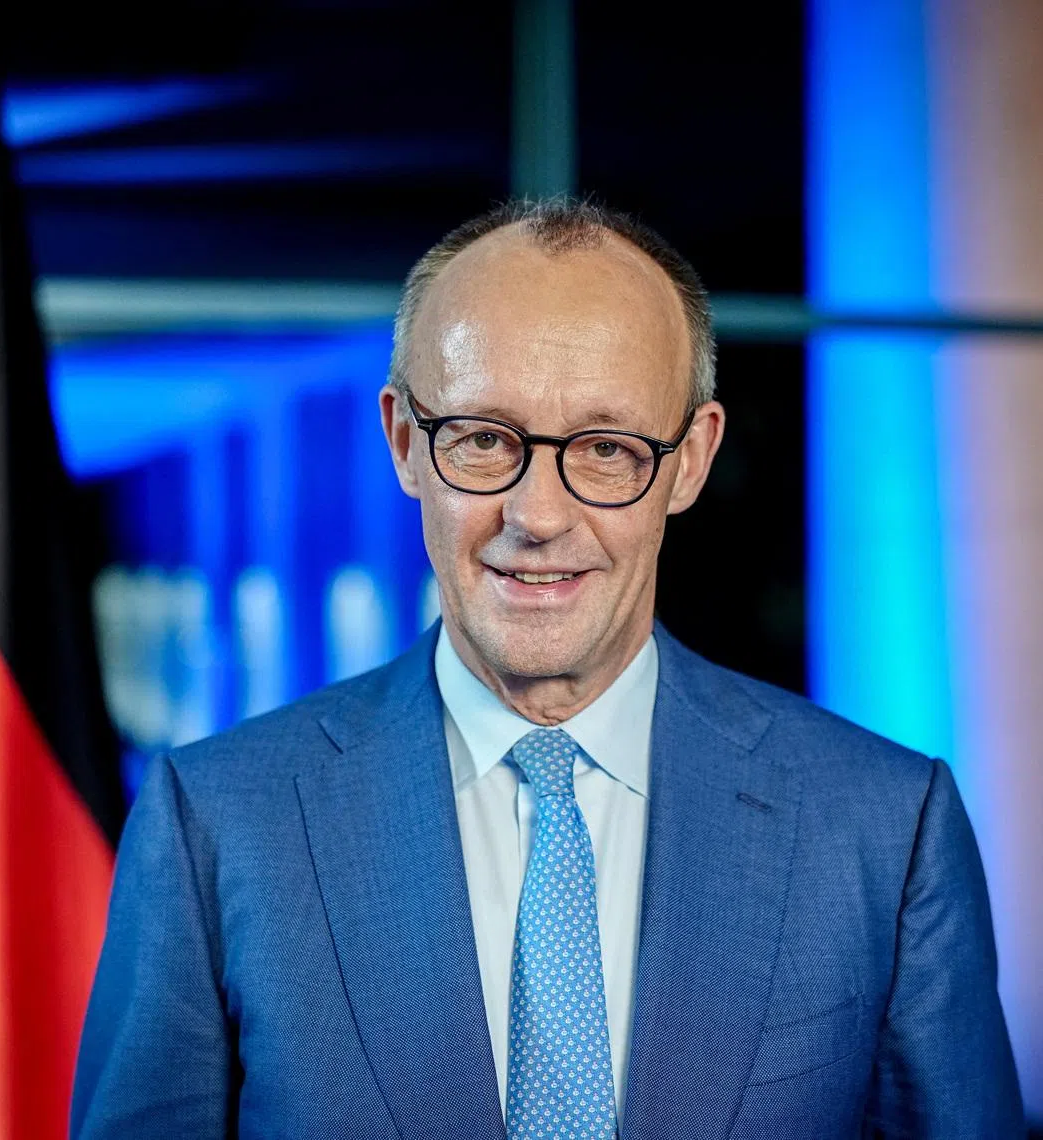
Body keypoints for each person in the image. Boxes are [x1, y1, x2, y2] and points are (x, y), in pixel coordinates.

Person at [71, 199, 1024, 1139]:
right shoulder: (219, 824)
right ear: (406, 441)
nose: (538, 515)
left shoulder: (886, 830)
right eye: (485, 440)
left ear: (690, 462)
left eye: (607, 450)